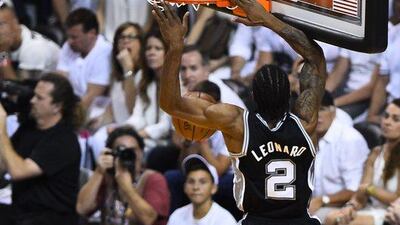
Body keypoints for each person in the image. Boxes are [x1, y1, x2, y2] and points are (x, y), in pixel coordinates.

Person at [152, 0, 326, 224]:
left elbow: (171, 104)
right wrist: (267, 19)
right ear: (292, 96)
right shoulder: (306, 123)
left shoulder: (237, 124)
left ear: (252, 96)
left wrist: (175, 46)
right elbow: (315, 57)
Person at [0, 73, 82, 225]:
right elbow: (4, 164)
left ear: (57, 106)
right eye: (34, 96)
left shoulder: (63, 140)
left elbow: (19, 171)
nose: (32, 101)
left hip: (51, 218)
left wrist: (2, 129)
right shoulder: (29, 128)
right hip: (21, 213)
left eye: (39, 98)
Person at [324, 99, 400, 225]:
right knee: (332, 218)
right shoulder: (376, 152)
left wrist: (369, 189)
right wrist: (351, 206)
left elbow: (396, 197)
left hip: (390, 213)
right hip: (370, 209)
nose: (387, 122)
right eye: (386, 116)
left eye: (395, 119)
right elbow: (361, 192)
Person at [76, 126, 170, 225]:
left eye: (132, 150)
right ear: (111, 153)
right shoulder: (108, 178)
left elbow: (148, 219)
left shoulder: (153, 179)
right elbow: (82, 209)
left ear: (142, 153)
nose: (127, 155)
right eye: (121, 150)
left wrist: (126, 186)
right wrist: (99, 172)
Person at [309, 91, 370, 223]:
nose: (317, 115)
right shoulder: (308, 135)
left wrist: (323, 200)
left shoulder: (349, 139)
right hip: (314, 203)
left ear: (334, 112)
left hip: (344, 207)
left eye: (322, 109)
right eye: (312, 110)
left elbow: (355, 189)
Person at [56, 7, 112, 116]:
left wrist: (62, 117)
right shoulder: (69, 46)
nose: (69, 41)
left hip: (93, 113)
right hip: (68, 106)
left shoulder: (105, 52)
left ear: (91, 33)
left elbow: (91, 97)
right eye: (68, 36)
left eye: (74, 37)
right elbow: (60, 82)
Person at [167, 154, 237, 225]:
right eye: (191, 181)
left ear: (213, 188)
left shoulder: (225, 220)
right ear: (185, 187)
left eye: (202, 182)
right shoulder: (177, 215)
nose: (196, 187)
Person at [0, 3, 60, 80]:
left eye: (1, 24)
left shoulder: (34, 49)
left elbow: (18, 89)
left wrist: (2, 54)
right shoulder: (7, 40)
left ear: (15, 23)